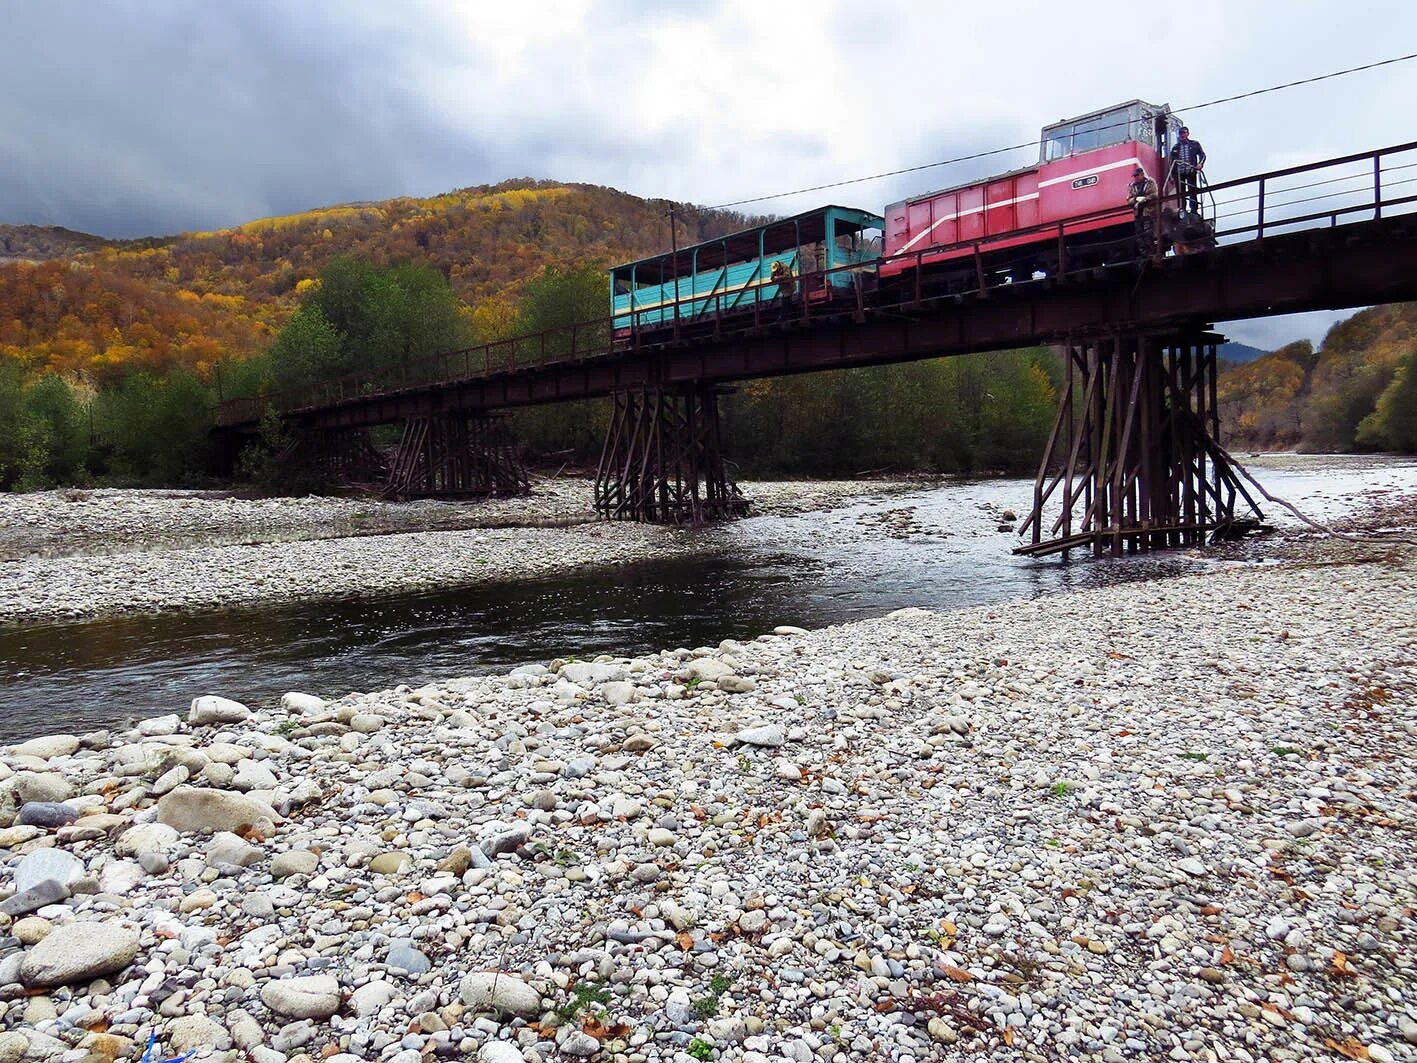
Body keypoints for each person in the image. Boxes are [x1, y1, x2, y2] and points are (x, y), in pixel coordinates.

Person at [1172, 125, 1206, 214]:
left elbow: (1202, 155)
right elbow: (1172, 162)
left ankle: (1194, 210)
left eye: (1184, 133)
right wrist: (1172, 174)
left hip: (1191, 171)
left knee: (1192, 190)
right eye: (1180, 133)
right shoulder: (1175, 147)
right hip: (1180, 173)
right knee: (1181, 192)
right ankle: (1182, 209)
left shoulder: (1194, 144)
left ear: (1188, 134)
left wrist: (1200, 164)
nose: (1182, 135)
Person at [1127, 165, 1160, 254]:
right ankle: (1144, 252)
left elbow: (1155, 195)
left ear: (1142, 174)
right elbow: (1128, 199)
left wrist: (1144, 199)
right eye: (1134, 176)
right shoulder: (1132, 186)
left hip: (1149, 212)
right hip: (1138, 214)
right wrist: (1135, 200)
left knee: (1148, 232)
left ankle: (1151, 251)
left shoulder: (1150, 182)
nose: (1135, 178)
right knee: (1139, 234)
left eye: (1137, 175)